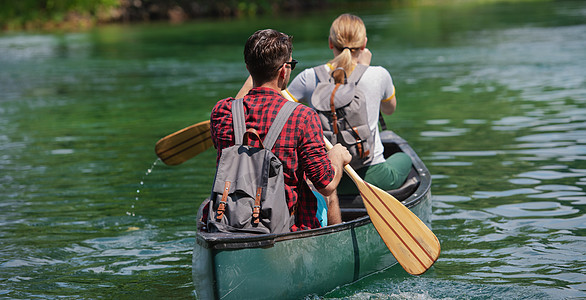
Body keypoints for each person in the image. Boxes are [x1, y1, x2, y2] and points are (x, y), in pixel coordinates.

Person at [211, 29, 351, 231]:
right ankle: (338, 246)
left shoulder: (222, 112)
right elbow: (326, 184)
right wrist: (336, 156)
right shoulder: (303, 117)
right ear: (284, 71)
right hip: (286, 227)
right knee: (328, 190)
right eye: (291, 65)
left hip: (230, 220)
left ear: (248, 68)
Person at [285, 13, 413, 195]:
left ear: (330, 43)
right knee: (405, 158)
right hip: (370, 176)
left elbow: (281, 110)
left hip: (324, 179)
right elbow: (389, 109)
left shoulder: (309, 77)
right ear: (364, 44)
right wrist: (365, 67)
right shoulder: (378, 75)